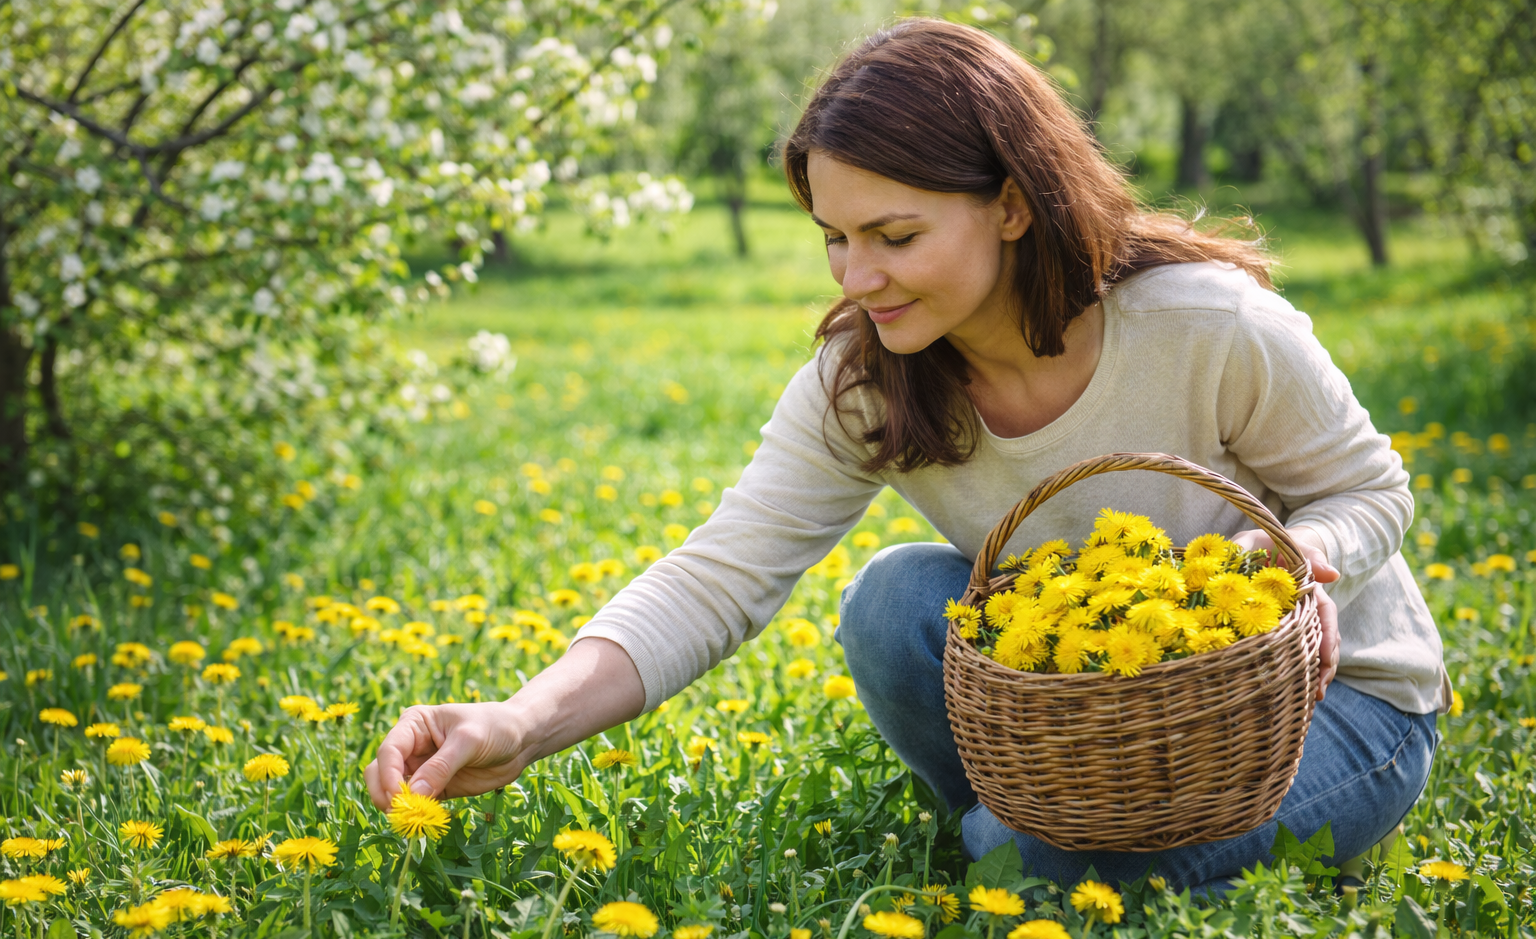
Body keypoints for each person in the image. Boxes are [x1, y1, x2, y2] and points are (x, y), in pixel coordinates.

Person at [365, 19, 1447, 893]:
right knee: (893, 601)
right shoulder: (871, 383)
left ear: (1014, 205)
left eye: (895, 236)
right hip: (1087, 702)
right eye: (835, 238)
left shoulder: (1205, 327)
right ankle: (1049, 832)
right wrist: (520, 718)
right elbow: (718, 574)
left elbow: (1369, 486)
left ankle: (1044, 847)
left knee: (1019, 869)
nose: (857, 278)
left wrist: (1303, 557)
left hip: (1332, 705)